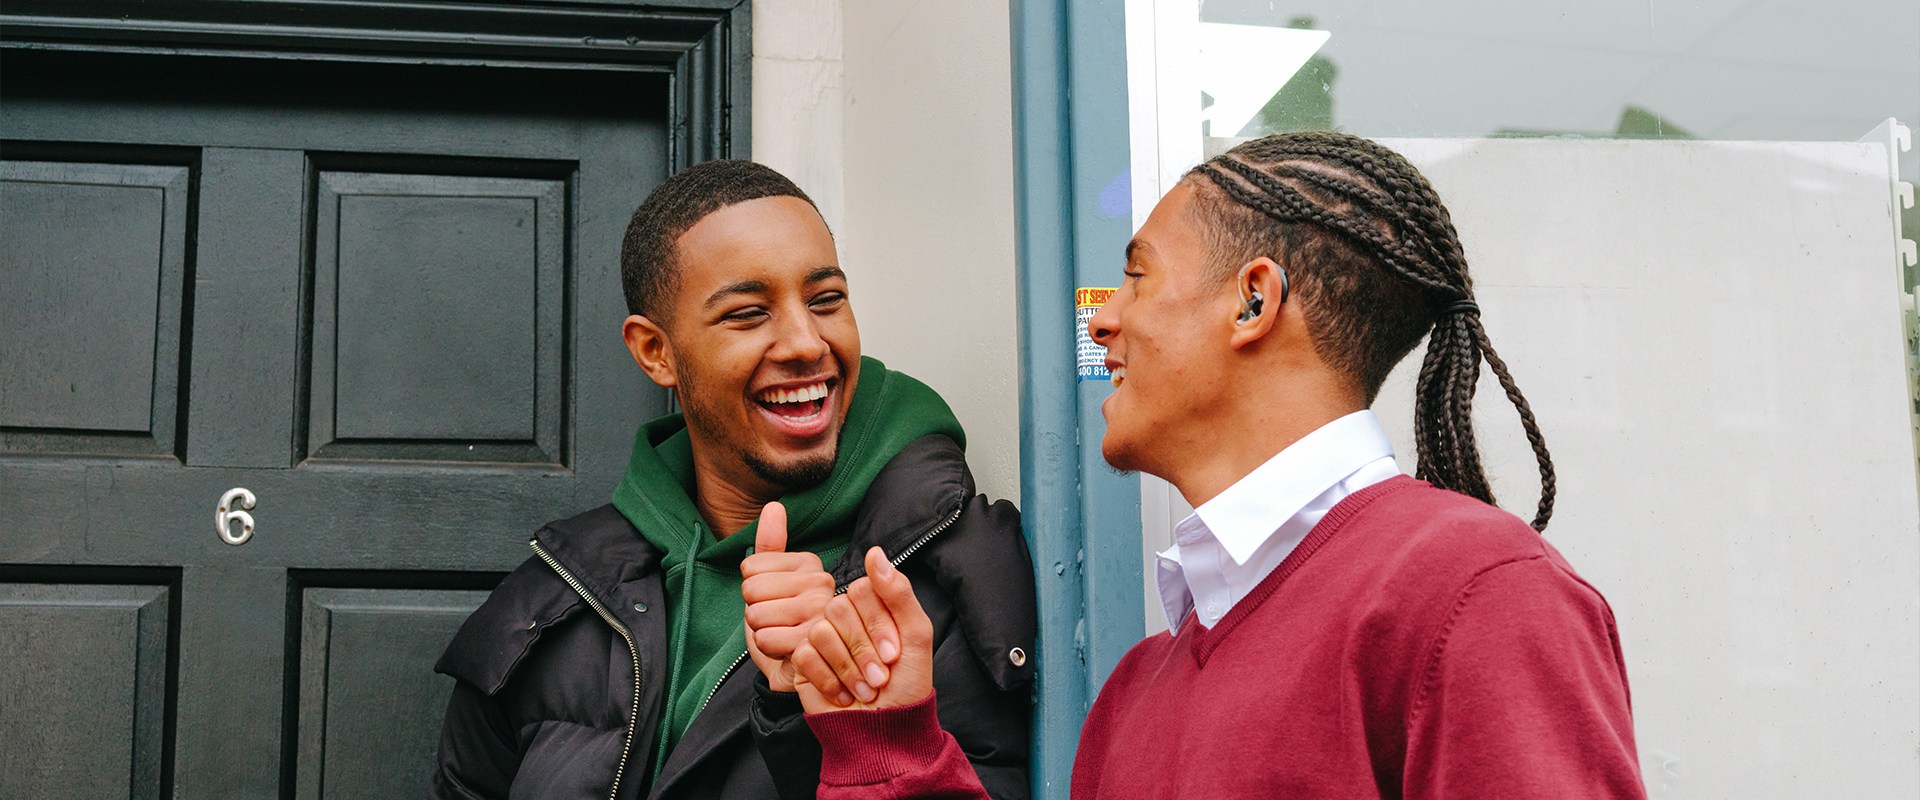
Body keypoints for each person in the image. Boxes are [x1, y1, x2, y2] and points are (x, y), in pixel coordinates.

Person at [753, 131, 1645, 798]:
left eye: (1136, 277)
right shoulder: (1140, 687)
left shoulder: (1474, 594)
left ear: (1253, 300)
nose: (1103, 323)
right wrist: (890, 743)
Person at [429, 160, 1036, 800]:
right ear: (654, 352)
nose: (805, 342)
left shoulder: (947, 581)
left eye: (826, 300)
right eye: (748, 314)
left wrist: (825, 718)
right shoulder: (553, 596)